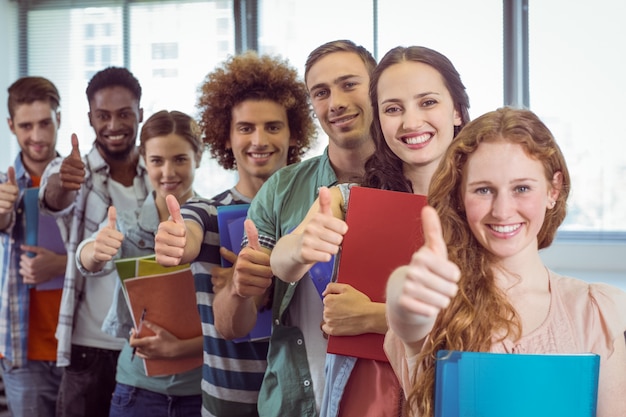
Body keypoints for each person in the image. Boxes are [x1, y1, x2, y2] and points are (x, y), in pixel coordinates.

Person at [384, 107, 626, 417]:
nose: (502, 210)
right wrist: (402, 292)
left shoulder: (593, 312)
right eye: (484, 190)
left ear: (553, 190)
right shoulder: (437, 304)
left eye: (522, 188)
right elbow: (408, 319)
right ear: (460, 195)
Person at [269, 46, 470, 416]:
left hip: (453, 387)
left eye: (427, 102)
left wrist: (372, 317)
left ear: (456, 110)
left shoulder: (484, 207)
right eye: (393, 109)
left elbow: (495, 317)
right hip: (365, 393)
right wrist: (300, 247)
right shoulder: (350, 198)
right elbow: (282, 262)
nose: (411, 122)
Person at [210, 40, 376, 416]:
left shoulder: (416, 184)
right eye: (321, 92)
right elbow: (232, 325)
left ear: (377, 87)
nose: (335, 102)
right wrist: (240, 290)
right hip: (294, 402)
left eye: (349, 84)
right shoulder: (281, 189)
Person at [154, 51, 316, 417]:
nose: (259, 140)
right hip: (226, 406)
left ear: (294, 135)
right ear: (225, 138)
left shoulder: (315, 216)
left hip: (301, 404)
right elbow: (187, 234)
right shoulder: (205, 213)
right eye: (245, 128)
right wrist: (177, 241)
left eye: (273, 127)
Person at [39, 67, 151, 417]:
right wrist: (63, 181)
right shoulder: (72, 170)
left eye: (124, 114)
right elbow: (53, 198)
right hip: (89, 349)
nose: (113, 125)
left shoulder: (157, 174)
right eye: (103, 116)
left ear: (140, 115)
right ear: (90, 118)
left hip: (144, 345)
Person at [77, 110, 204, 417]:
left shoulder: (214, 221)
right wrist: (95, 251)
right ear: (144, 161)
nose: (168, 172)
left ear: (198, 158)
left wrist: (179, 349)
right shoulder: (127, 224)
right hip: (136, 391)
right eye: (157, 160)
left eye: (180, 159)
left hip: (202, 391)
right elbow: (87, 258)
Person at [0, 76, 66, 417]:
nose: (37, 137)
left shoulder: (82, 182)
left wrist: (61, 265)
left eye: (45, 123)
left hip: (80, 349)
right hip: (22, 352)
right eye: (26, 126)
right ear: (11, 126)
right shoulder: (3, 187)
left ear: (60, 118)